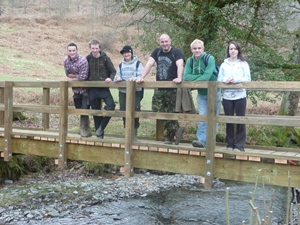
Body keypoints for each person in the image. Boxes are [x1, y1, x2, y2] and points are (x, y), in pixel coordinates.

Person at [136, 34, 185, 145]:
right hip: (159, 86)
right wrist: (142, 76)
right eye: (162, 42)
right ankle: (177, 129)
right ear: (159, 43)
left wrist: (179, 77)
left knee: (170, 111)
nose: (164, 44)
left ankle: (169, 137)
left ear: (170, 41)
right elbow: (149, 64)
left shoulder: (176, 52)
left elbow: (180, 64)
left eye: (166, 41)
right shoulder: (157, 52)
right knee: (156, 109)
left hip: (172, 87)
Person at [183, 39, 221, 148]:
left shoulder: (209, 59)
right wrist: (200, 79)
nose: (197, 50)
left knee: (214, 117)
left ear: (203, 49)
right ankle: (201, 141)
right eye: (195, 48)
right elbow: (186, 77)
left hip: (214, 92)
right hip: (202, 93)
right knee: (202, 116)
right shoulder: (190, 61)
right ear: (192, 50)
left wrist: (195, 80)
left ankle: (211, 141)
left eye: (199, 48)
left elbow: (207, 76)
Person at [217, 41, 251, 152]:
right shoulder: (223, 64)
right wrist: (225, 81)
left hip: (240, 95)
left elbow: (248, 79)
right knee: (229, 121)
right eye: (231, 49)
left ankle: (239, 145)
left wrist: (236, 80)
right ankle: (230, 144)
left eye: (235, 49)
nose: (233, 51)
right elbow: (219, 79)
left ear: (238, 51)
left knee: (240, 120)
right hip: (227, 96)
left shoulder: (243, 64)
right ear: (228, 51)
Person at [86, 40, 116, 138]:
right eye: (93, 48)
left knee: (111, 106)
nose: (94, 50)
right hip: (92, 89)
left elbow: (113, 71)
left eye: (96, 48)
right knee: (95, 111)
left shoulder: (106, 59)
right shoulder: (87, 59)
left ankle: (101, 128)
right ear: (90, 48)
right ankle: (99, 135)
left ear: (100, 48)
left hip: (104, 88)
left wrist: (110, 78)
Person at [114, 45, 144, 141]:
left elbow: (141, 76)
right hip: (123, 91)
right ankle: (127, 134)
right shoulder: (120, 65)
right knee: (123, 110)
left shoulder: (138, 64)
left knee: (135, 110)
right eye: (124, 53)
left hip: (135, 91)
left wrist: (134, 79)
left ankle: (134, 134)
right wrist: (117, 79)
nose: (126, 54)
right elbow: (116, 76)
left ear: (131, 53)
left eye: (128, 52)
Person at [64, 42, 91, 138]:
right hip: (75, 90)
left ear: (77, 50)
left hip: (85, 90)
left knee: (84, 110)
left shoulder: (82, 60)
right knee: (79, 110)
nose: (72, 52)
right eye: (70, 51)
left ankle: (85, 132)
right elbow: (67, 75)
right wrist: (77, 76)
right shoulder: (66, 60)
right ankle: (84, 130)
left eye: (73, 50)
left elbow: (83, 77)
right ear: (68, 51)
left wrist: (73, 77)